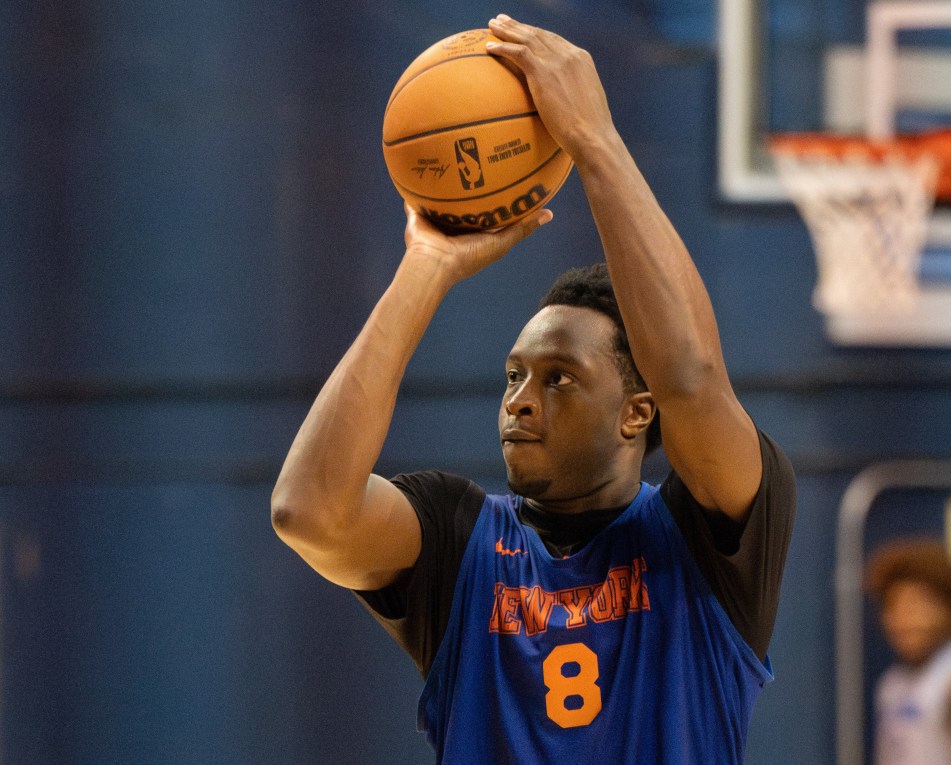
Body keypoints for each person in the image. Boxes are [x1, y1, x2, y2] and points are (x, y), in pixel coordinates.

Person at [271, 13, 796, 764]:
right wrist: (428, 265)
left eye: (560, 380)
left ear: (635, 413)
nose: (520, 400)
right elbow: (307, 511)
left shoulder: (710, 536)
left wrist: (595, 142)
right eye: (514, 374)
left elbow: (690, 375)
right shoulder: (459, 541)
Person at [866, 538, 951, 765]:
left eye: (917, 606)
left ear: (949, 609)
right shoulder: (893, 682)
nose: (905, 620)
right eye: (894, 607)